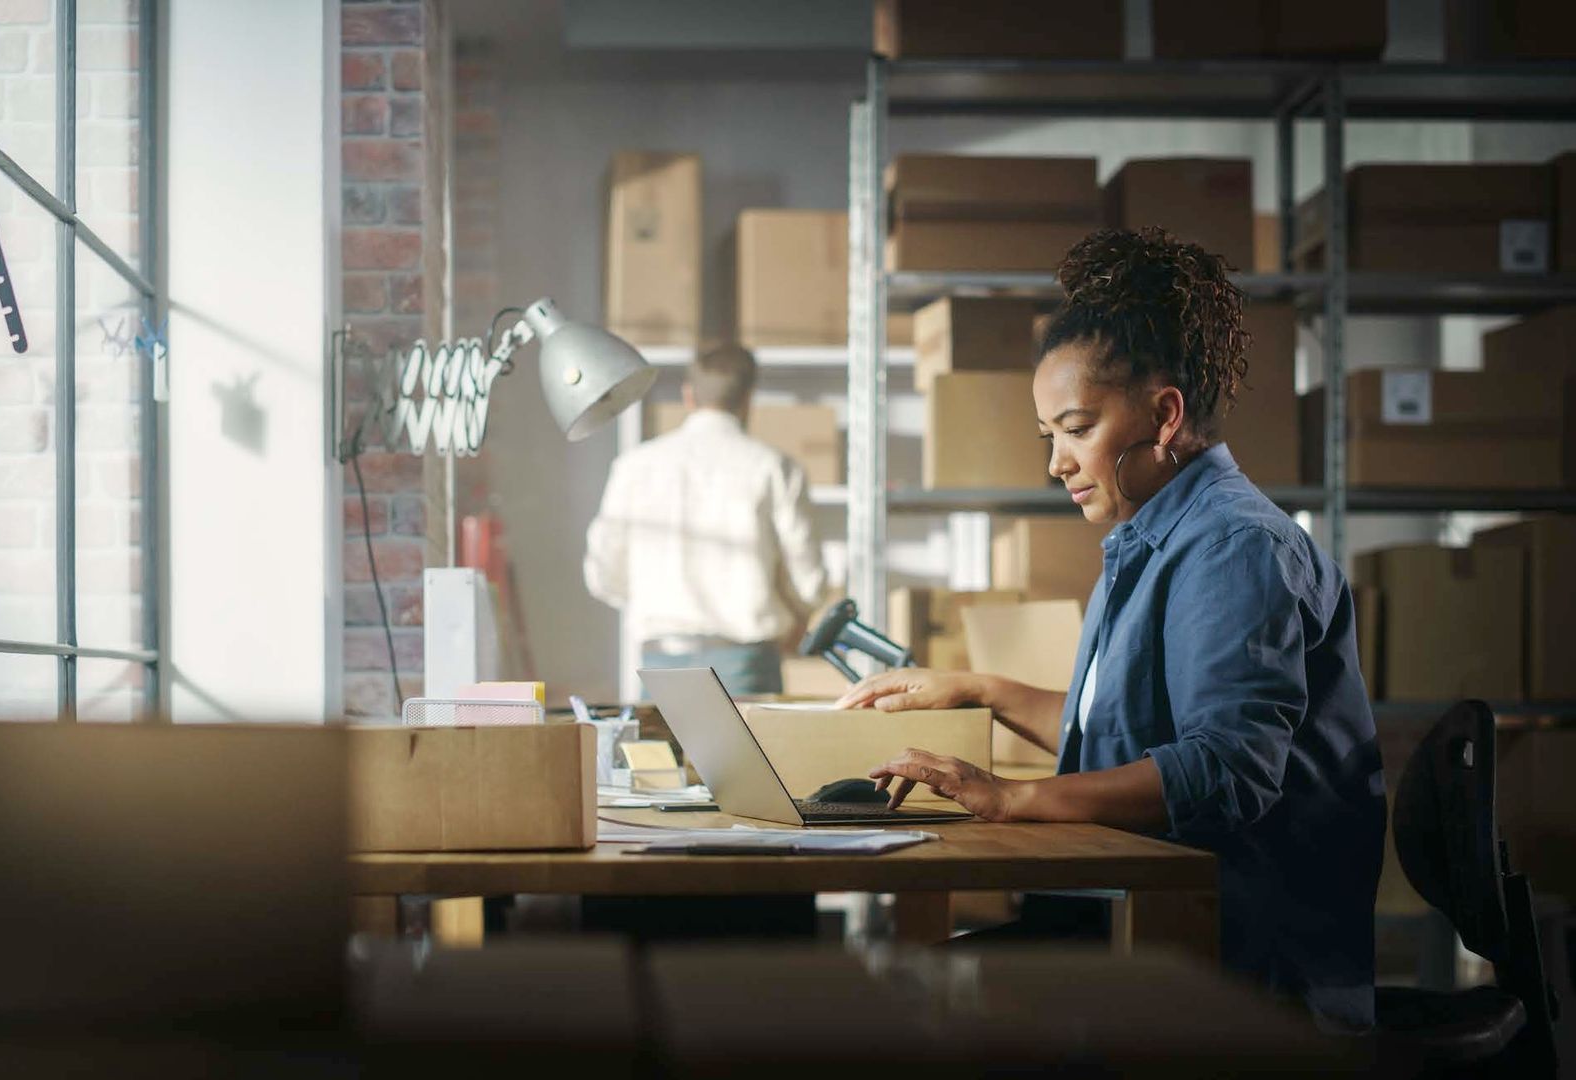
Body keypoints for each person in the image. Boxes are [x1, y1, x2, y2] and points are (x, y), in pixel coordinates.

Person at [839, 227, 1385, 1030]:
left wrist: (1014, 798)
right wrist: (979, 690)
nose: (1056, 462)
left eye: (1076, 428)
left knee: (898, 1014)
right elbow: (1128, 733)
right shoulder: (1158, 536)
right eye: (1049, 436)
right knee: (896, 996)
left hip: (1236, 961)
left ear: (1165, 414)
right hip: (1143, 923)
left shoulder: (1234, 549)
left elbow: (1227, 771)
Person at [584, 342, 826, 696]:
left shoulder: (634, 467)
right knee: (748, 754)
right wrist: (799, 613)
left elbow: (603, 573)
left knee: (659, 753)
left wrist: (652, 598)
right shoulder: (773, 467)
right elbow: (808, 576)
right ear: (747, 399)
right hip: (744, 661)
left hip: (660, 662)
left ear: (688, 396)